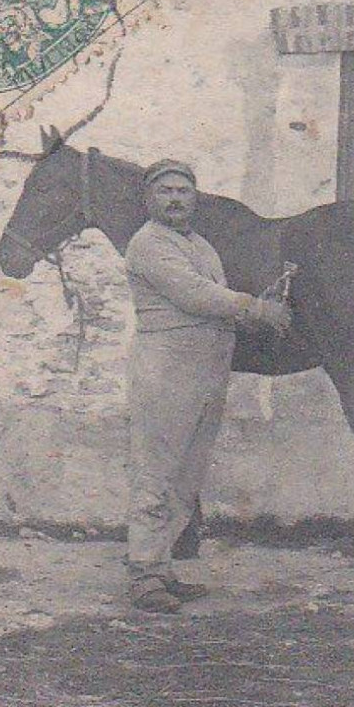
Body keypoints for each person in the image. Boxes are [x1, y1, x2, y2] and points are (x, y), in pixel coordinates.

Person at [123, 159, 290, 613]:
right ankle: (143, 574)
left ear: (194, 199)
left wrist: (259, 303)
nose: (176, 199)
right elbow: (195, 295)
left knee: (186, 476)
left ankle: (162, 568)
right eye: (166, 191)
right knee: (156, 472)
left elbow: (217, 299)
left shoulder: (200, 245)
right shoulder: (148, 244)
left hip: (208, 370)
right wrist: (255, 308)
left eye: (183, 191)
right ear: (149, 199)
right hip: (166, 371)